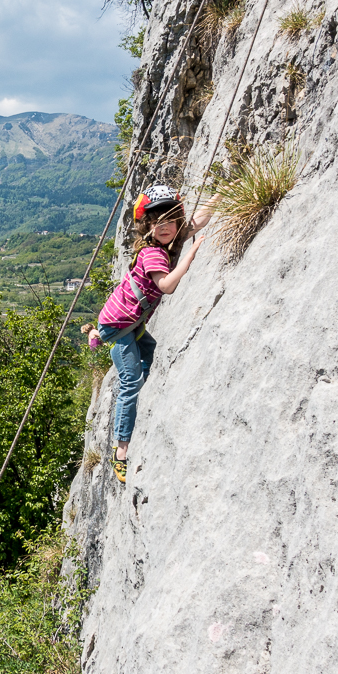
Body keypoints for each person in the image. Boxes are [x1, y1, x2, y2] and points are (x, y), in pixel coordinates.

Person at [83, 185, 218, 483]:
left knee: (149, 349)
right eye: (157, 222)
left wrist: (222, 192)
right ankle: (121, 451)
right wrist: (191, 255)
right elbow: (166, 285)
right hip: (120, 330)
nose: (165, 227)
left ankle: (104, 342)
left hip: (125, 324)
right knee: (130, 383)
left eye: (170, 220)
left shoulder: (163, 241)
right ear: (147, 227)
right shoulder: (154, 254)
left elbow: (197, 221)